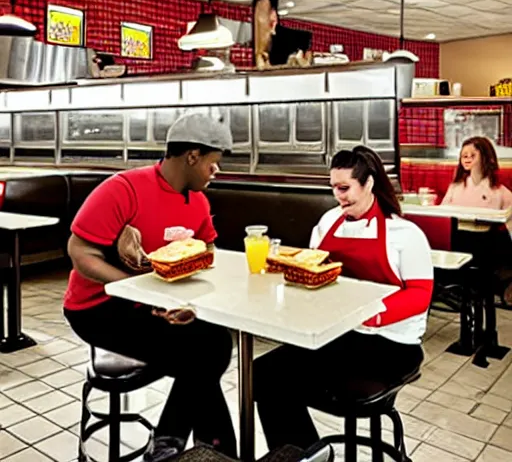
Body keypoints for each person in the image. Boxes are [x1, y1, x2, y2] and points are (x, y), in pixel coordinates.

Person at [63, 110, 237, 462]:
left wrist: (190, 302)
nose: (215, 172)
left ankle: (175, 443)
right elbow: (79, 252)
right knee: (203, 357)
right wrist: (136, 288)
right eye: (212, 164)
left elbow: (207, 251)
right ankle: (209, 450)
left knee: (214, 341)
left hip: (153, 303)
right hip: (98, 309)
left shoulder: (198, 201)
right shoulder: (123, 189)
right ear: (192, 156)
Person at [254, 146, 434, 451]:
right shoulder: (327, 223)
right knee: (261, 375)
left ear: (369, 184)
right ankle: (307, 454)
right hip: (342, 335)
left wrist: (368, 314)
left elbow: (420, 295)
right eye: (334, 188)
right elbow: (316, 270)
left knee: (276, 378)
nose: (339, 196)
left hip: (390, 344)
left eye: (345, 188)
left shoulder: (405, 233)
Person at [441, 136, 512, 305]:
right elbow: (442, 213)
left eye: (472, 155)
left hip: (486, 242)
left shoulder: (498, 190)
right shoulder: (455, 187)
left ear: (486, 158)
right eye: (463, 155)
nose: (466, 159)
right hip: (457, 239)